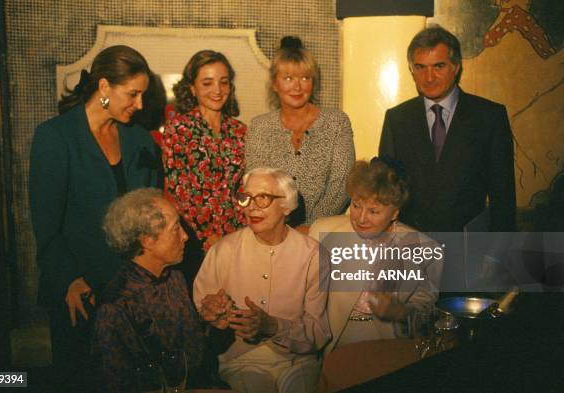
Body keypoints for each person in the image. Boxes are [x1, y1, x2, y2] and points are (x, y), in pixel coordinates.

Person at [29, 45, 161, 390]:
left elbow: (153, 213)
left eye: (143, 95)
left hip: (131, 293)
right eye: (133, 94)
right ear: (104, 88)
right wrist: (69, 279)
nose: (141, 105)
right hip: (80, 293)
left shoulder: (139, 138)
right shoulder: (55, 137)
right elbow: (46, 228)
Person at [194, 167, 331, 393]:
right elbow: (200, 321)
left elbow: (318, 332)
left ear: (287, 206)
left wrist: (273, 326)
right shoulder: (223, 250)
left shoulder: (313, 255)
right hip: (242, 362)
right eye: (246, 198)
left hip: (298, 361)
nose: (252, 207)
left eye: (263, 198)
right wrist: (212, 318)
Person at [379, 25, 516, 232]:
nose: (429, 77)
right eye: (420, 67)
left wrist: (496, 258)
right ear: (411, 70)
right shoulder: (397, 119)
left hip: (467, 249)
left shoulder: (489, 117)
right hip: (409, 248)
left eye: (439, 66)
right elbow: (385, 193)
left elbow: (503, 198)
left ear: (456, 67)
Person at [309, 159, 442, 351]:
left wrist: (401, 313)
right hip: (331, 340)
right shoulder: (324, 232)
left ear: (395, 213)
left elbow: (427, 320)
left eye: (373, 211)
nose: (361, 218)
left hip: (389, 342)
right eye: (356, 206)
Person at [92, 188, 204, 393]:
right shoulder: (116, 305)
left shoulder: (175, 278)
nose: (185, 236)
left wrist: (211, 321)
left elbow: (192, 356)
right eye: (176, 228)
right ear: (147, 240)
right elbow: (120, 383)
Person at [246, 36, 355, 227]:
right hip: (272, 230)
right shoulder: (259, 127)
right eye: (288, 78)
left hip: (322, 231)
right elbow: (257, 187)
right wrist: (281, 229)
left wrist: (311, 227)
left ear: (313, 82)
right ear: (274, 83)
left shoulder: (336, 122)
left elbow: (341, 184)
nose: (297, 87)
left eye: (305, 78)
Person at [162, 50, 247, 287]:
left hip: (239, 237)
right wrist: (207, 236)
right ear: (192, 88)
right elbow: (178, 189)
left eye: (223, 82)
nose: (217, 90)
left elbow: (244, 187)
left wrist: (241, 233)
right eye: (207, 83)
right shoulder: (179, 128)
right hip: (197, 242)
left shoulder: (241, 131)